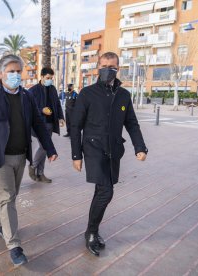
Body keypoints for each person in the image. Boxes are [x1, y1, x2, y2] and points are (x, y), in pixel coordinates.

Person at [0, 54, 58, 266]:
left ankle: (0, 224)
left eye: (18, 71)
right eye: (11, 71)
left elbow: (38, 123)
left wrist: (50, 147)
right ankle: (14, 245)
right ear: (1, 74)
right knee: (8, 197)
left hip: (20, 155)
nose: (15, 75)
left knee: (10, 196)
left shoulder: (27, 97)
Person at [70, 52, 148, 256]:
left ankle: (91, 230)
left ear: (117, 69)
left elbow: (131, 123)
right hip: (93, 149)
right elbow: (76, 125)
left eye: (111, 67)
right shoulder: (87, 93)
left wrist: (139, 147)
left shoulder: (123, 95)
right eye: (103, 66)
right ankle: (91, 233)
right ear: (98, 67)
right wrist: (76, 155)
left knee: (102, 190)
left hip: (114, 150)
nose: (107, 70)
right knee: (106, 192)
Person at [28, 68, 65, 183]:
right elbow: (28, 108)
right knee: (44, 147)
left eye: (51, 78)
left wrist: (61, 117)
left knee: (45, 148)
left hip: (50, 123)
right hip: (38, 124)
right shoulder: (33, 90)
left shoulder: (53, 89)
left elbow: (57, 104)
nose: (50, 80)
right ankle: (33, 166)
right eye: (47, 78)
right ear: (42, 77)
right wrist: (41, 110)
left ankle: (40, 174)